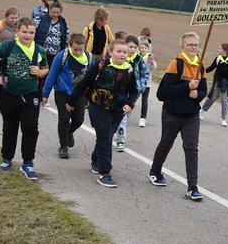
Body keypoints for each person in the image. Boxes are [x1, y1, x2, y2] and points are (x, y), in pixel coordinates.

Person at [0, 17, 49, 180]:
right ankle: (7, 158)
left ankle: (28, 163)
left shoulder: (39, 50)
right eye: (24, 31)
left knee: (31, 129)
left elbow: (46, 68)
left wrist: (40, 73)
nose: (27, 35)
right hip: (9, 94)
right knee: (10, 127)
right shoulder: (7, 46)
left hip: (31, 95)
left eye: (31, 32)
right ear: (17, 31)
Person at [67, 40, 138, 188]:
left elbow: (134, 91)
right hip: (98, 106)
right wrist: (72, 102)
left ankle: (96, 160)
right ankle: (105, 173)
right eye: (119, 51)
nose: (122, 54)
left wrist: (129, 104)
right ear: (110, 52)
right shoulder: (101, 65)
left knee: (106, 136)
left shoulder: (129, 70)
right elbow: (85, 82)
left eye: (125, 52)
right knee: (105, 135)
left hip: (118, 110)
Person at [148, 32, 207, 200]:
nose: (194, 48)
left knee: (191, 148)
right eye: (190, 45)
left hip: (191, 115)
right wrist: (187, 86)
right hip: (172, 113)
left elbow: (204, 90)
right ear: (182, 47)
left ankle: (192, 187)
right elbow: (168, 90)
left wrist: (199, 95)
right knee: (166, 144)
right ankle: (155, 170)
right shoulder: (176, 63)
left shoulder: (200, 66)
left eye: (196, 44)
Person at [41, 33, 95, 160]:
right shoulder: (62, 57)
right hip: (62, 92)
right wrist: (45, 94)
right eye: (75, 49)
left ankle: (69, 132)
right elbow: (52, 75)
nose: (78, 52)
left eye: (81, 50)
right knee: (64, 118)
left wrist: (89, 96)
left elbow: (92, 79)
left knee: (78, 120)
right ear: (70, 46)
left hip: (79, 94)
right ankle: (63, 145)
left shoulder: (90, 59)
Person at [113, 35, 149, 151]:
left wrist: (140, 86)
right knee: (120, 114)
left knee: (126, 114)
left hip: (133, 92)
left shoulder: (138, 59)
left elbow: (144, 74)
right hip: (120, 91)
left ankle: (118, 132)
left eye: (135, 47)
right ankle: (120, 139)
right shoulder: (120, 58)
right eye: (130, 47)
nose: (132, 49)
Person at [34, 0, 70, 100]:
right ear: (49, 9)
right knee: (38, 74)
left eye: (58, 13)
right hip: (40, 52)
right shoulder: (40, 18)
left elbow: (66, 38)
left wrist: (65, 52)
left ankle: (42, 95)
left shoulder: (63, 22)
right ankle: (34, 93)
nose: (55, 14)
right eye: (53, 12)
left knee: (48, 75)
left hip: (55, 54)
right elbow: (32, 31)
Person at [200, 42, 228, 127]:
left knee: (224, 101)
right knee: (212, 98)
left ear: (225, 51)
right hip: (217, 82)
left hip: (226, 84)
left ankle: (223, 119)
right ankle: (202, 111)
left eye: (220, 49)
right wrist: (202, 71)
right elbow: (211, 68)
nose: (218, 50)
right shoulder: (218, 58)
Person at [137, 37, 157, 127]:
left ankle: (143, 118)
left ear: (148, 49)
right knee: (132, 98)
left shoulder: (149, 58)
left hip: (146, 83)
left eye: (145, 48)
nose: (144, 49)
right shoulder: (137, 57)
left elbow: (154, 68)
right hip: (137, 82)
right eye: (142, 48)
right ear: (139, 49)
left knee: (144, 101)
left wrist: (152, 63)